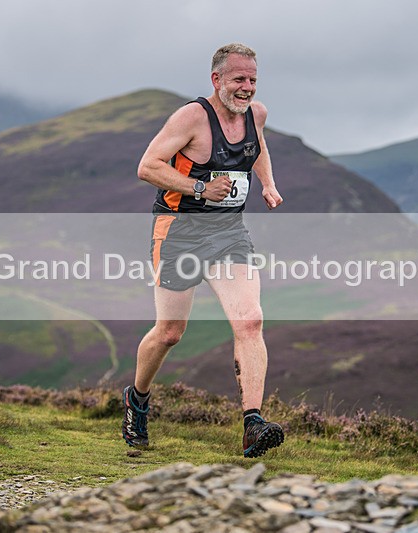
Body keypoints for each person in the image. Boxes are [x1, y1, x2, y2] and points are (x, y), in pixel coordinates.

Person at [122, 43, 285, 458]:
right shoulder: (192, 118)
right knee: (170, 332)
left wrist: (266, 183)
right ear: (217, 80)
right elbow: (147, 166)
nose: (247, 88)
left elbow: (258, 147)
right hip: (178, 230)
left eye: (252, 80)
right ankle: (137, 399)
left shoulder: (257, 114)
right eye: (238, 80)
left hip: (229, 231)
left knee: (250, 321)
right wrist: (200, 188)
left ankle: (252, 423)